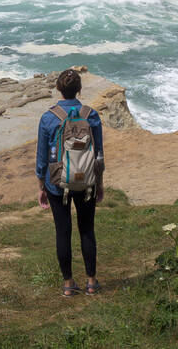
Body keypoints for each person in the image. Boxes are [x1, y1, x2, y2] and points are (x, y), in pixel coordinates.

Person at [36, 68, 105, 297]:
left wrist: (41, 186)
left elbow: (42, 158)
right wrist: (100, 182)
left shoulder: (48, 118)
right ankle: (92, 282)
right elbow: (99, 155)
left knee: (63, 232)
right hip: (86, 181)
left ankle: (68, 284)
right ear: (80, 90)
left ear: (58, 88)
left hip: (56, 182)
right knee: (87, 230)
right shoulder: (91, 115)